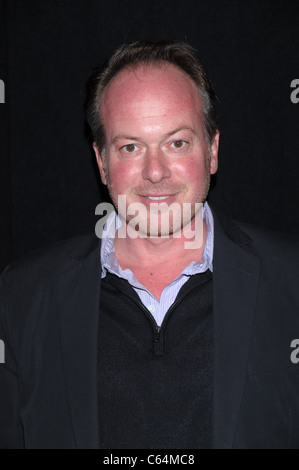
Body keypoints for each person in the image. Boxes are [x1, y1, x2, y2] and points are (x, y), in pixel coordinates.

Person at [0, 40, 299, 450]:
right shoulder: (23, 295)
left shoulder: (291, 281)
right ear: (102, 162)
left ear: (212, 151)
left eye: (177, 143)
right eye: (130, 147)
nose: (155, 172)